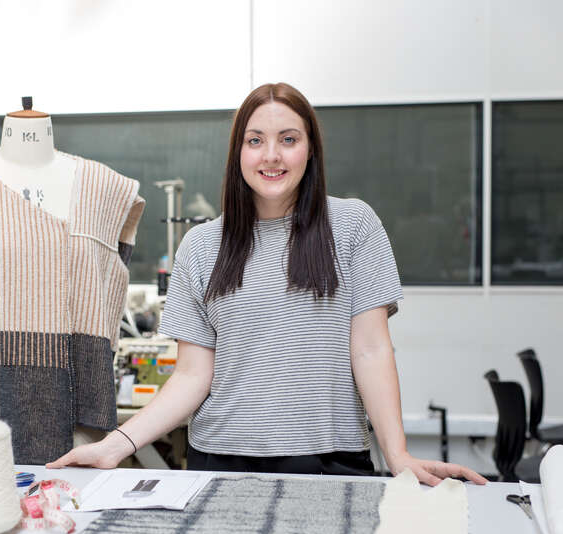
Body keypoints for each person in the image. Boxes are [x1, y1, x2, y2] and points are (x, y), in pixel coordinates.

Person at [48, 83, 487, 486]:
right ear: (238, 152)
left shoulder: (353, 226)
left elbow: (370, 349)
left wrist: (398, 454)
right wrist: (117, 445)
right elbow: (192, 376)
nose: (271, 155)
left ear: (310, 150)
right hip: (218, 462)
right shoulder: (201, 246)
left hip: (327, 460)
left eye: (289, 140)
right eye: (255, 140)